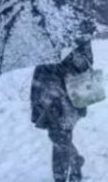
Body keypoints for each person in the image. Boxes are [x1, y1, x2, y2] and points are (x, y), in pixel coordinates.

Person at [31, 39, 93, 182]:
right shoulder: (43, 33)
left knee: (60, 136)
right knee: (57, 136)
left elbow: (86, 62)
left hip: (70, 95)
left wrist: (68, 60)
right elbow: (40, 64)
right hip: (47, 92)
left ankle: (63, 175)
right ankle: (74, 162)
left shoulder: (78, 35)